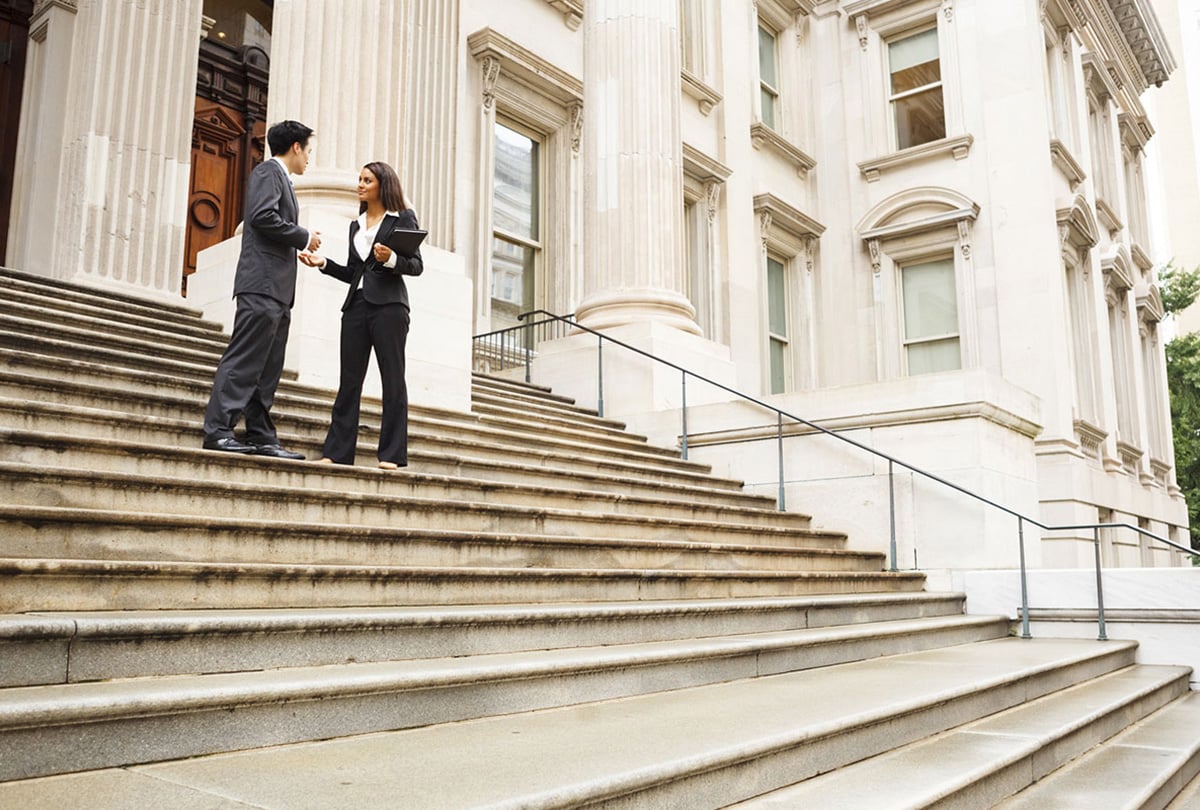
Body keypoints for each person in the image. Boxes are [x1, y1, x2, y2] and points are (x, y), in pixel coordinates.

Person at [202, 120, 320, 459]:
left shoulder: (283, 179)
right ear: (295, 147)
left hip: (278, 290)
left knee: (267, 368)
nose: (309, 158)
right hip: (262, 284)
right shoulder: (268, 172)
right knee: (244, 360)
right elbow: (263, 217)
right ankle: (218, 431)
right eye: (308, 150)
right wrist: (303, 236)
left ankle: (260, 435)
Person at [299, 161, 423, 470]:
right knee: (349, 381)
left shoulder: (401, 218)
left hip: (390, 308)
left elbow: (416, 265)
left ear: (383, 184)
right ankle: (338, 452)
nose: (360, 184)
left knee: (392, 379)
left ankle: (392, 455)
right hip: (356, 306)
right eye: (360, 179)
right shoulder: (356, 224)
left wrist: (392, 258)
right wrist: (323, 262)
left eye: (367, 180)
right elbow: (355, 271)